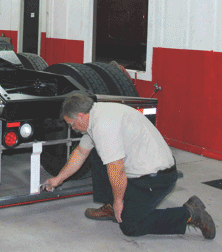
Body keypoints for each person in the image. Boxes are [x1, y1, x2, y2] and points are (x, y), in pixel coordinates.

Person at [43, 93, 216, 239]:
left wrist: (119, 201)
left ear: (81, 115)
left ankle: (190, 213)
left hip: (157, 178)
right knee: (95, 152)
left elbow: (116, 170)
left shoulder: (104, 126)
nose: (73, 129)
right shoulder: (96, 117)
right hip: (142, 170)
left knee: (130, 226)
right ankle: (112, 206)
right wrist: (58, 179)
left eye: (72, 124)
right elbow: (80, 153)